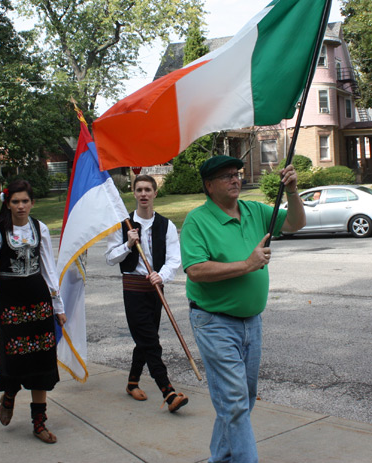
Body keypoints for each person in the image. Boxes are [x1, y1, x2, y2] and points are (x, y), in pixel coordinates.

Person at [180, 155, 306, 463]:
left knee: (239, 401)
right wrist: (247, 265)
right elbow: (195, 270)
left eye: (236, 173)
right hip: (214, 321)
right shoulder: (197, 221)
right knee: (234, 402)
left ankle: (219, 458)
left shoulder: (254, 210)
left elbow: (295, 223)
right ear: (209, 186)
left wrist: (291, 190)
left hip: (252, 322)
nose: (236, 179)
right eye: (226, 176)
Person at [0, 180, 66, 444]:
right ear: (7, 203)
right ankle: (9, 393)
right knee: (15, 356)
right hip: (9, 299)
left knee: (42, 359)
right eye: (15, 202)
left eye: (25, 201)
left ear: (32, 203)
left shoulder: (40, 228)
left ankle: (39, 422)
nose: (21, 206)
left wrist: (58, 306)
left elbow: (48, 268)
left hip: (37, 298)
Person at [105, 174, 188, 412]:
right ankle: (168, 391)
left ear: (154, 193)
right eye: (139, 189)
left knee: (144, 340)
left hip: (155, 289)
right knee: (151, 342)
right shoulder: (122, 225)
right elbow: (110, 258)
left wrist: (161, 275)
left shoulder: (166, 225)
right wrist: (128, 244)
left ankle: (132, 383)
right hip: (133, 289)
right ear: (134, 193)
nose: (143, 194)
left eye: (147, 190)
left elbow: (174, 259)